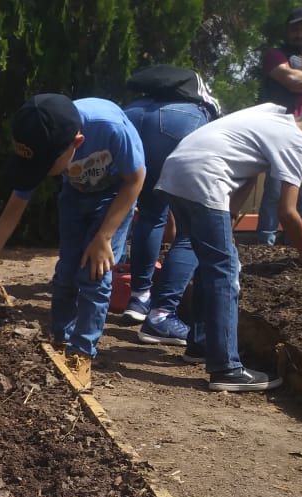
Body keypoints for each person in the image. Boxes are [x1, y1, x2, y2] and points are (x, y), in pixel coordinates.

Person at [0, 94, 144, 391]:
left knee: (95, 274)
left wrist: (104, 236)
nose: (38, 174)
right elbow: (7, 220)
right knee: (67, 271)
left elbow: (135, 179)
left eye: (45, 165)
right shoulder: (43, 136)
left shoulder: (110, 128)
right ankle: (60, 338)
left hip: (114, 197)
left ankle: (82, 354)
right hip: (75, 195)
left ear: (77, 143)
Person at [154, 104, 302, 391]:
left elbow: (248, 174)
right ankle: (226, 369)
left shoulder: (271, 118)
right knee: (225, 269)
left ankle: (201, 345)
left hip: (178, 170)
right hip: (205, 176)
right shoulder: (297, 140)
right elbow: (288, 213)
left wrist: (227, 218)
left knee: (211, 263)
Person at [120, 65, 220, 326]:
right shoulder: (201, 102)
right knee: (192, 228)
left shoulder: (144, 98)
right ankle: (161, 314)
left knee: (151, 213)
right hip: (178, 121)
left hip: (131, 116)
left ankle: (139, 297)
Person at [255, 6, 302, 245]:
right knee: (275, 187)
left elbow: (295, 80)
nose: (300, 34)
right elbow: (290, 80)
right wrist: (295, 81)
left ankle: (293, 241)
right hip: (283, 130)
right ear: (287, 31)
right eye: (295, 29)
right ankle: (265, 240)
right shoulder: (275, 54)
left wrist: (301, 81)